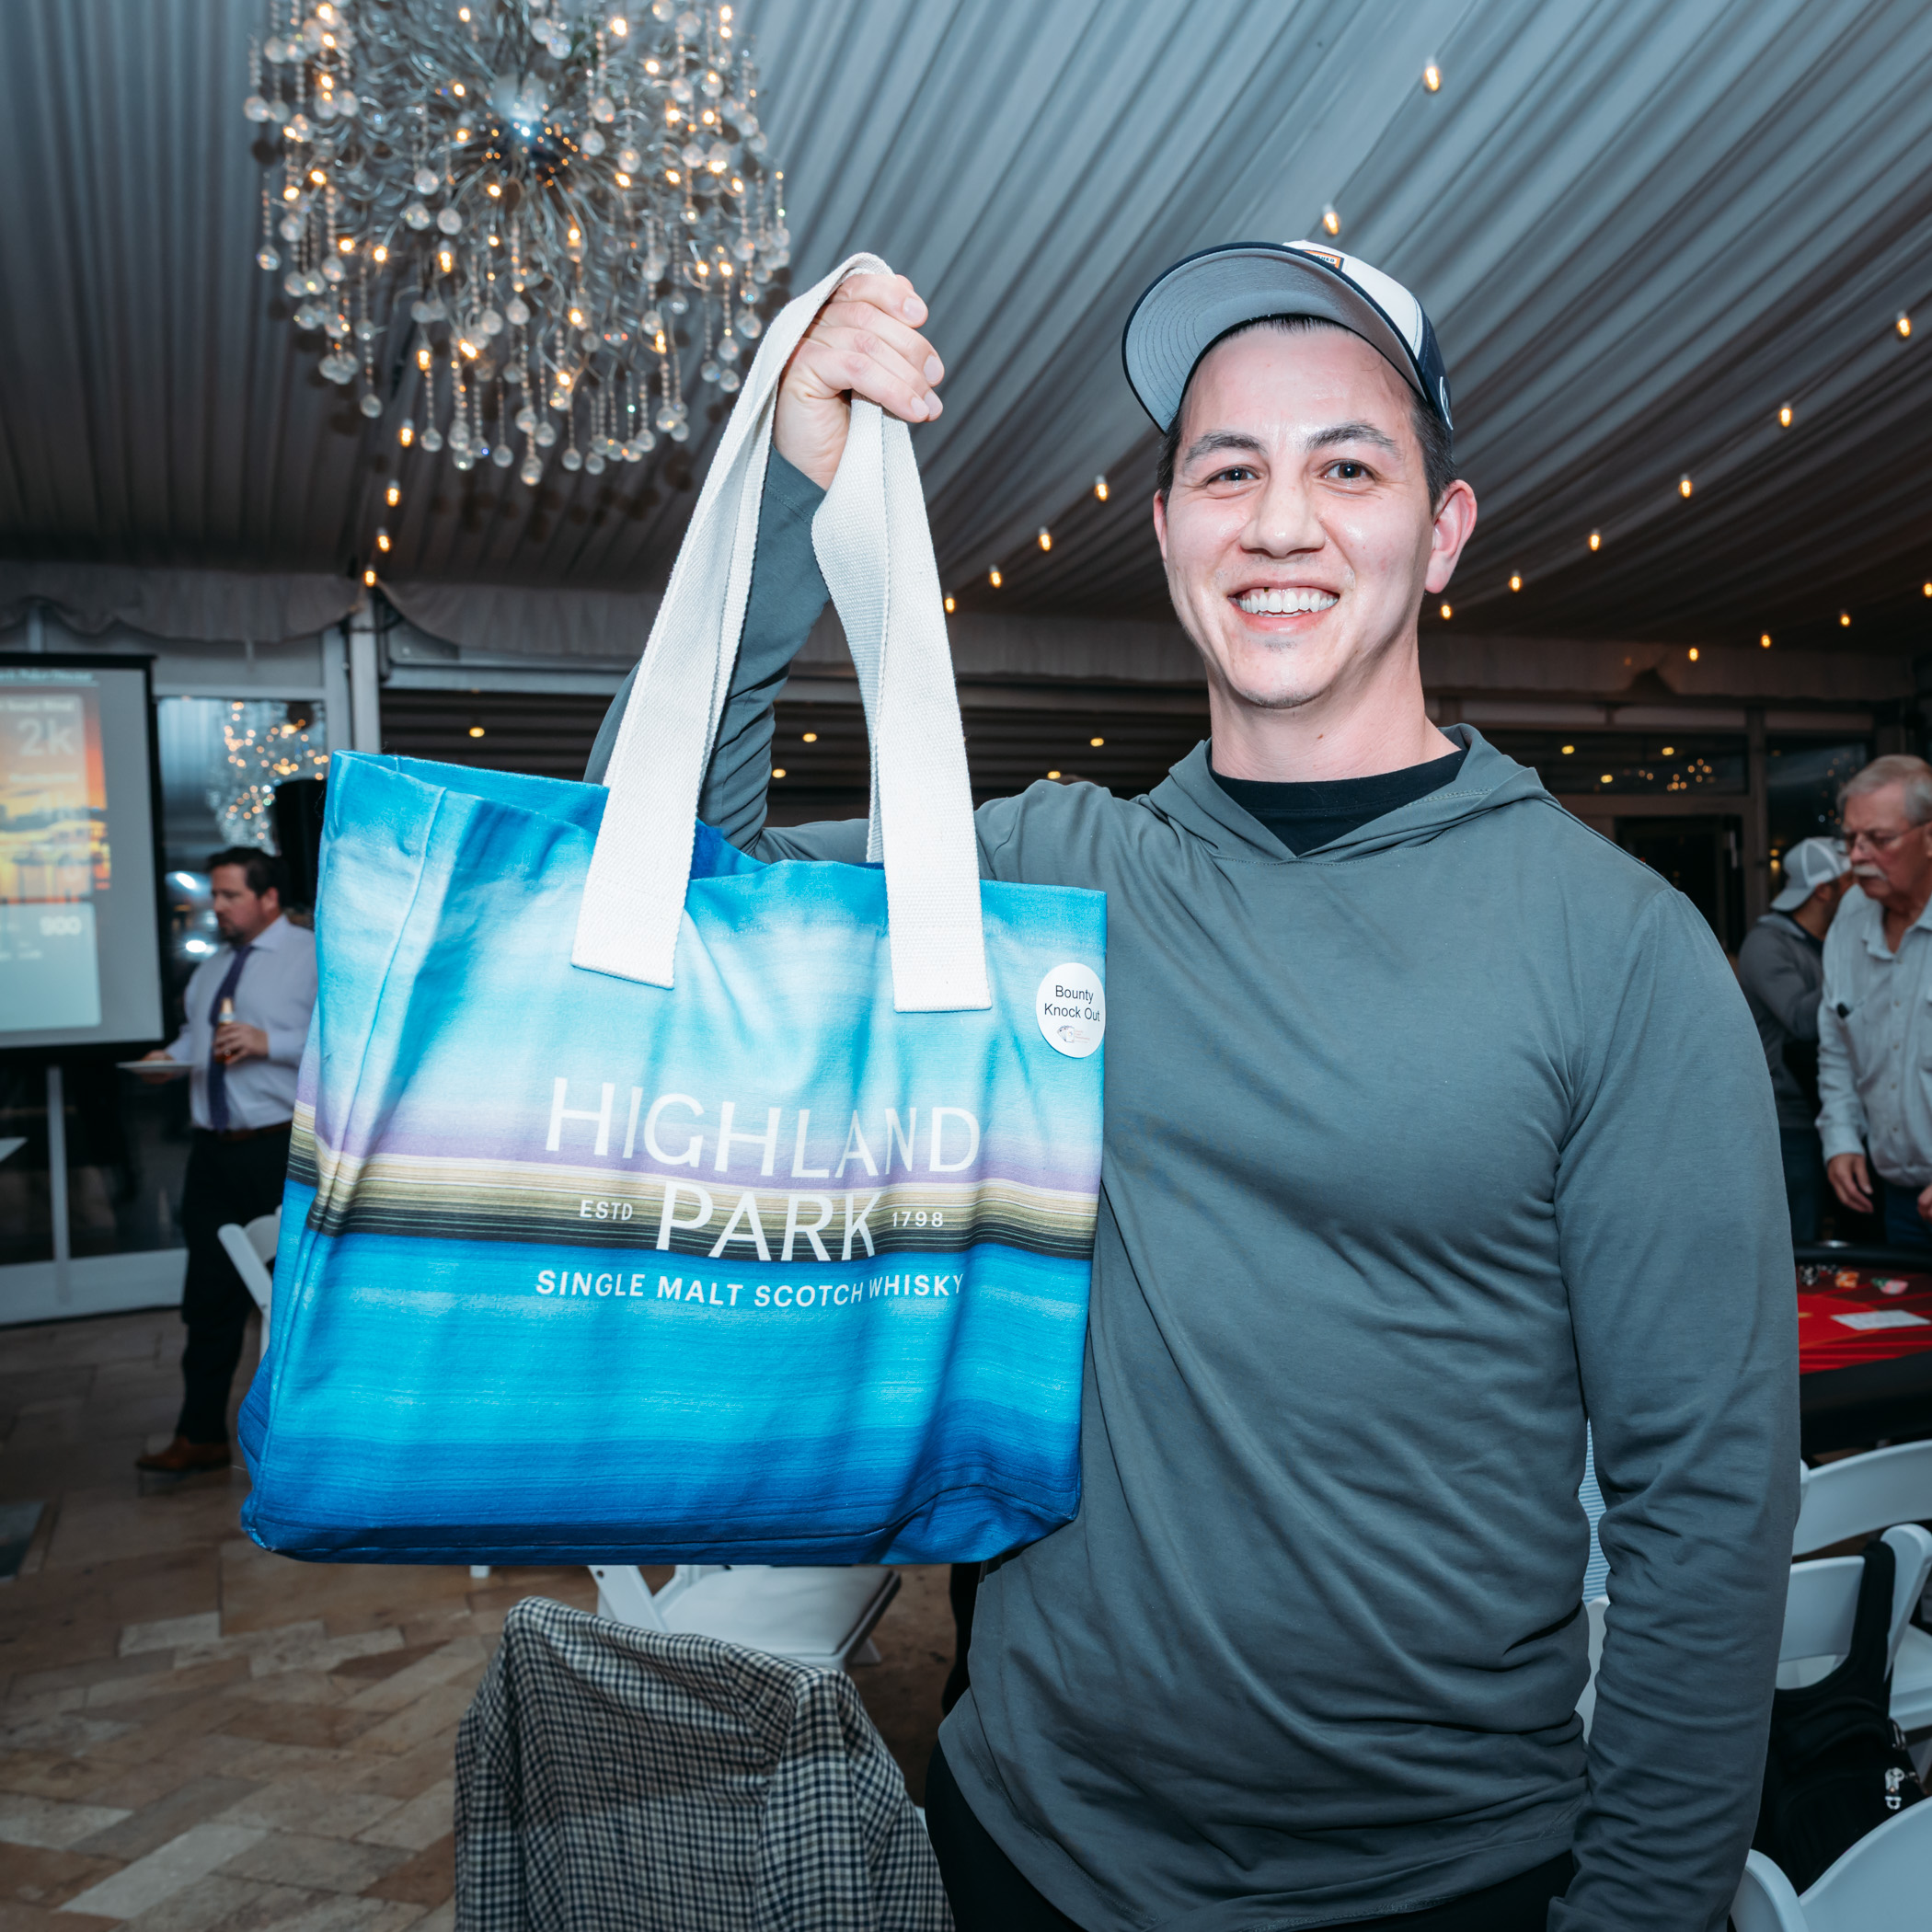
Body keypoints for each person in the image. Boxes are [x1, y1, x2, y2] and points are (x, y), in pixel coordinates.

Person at [589, 246, 1795, 1929]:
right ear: (1166, 536)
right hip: (1031, 1851)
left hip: (1446, 1882)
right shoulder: (1041, 878)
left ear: (1443, 532)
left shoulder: (1621, 951)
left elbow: (1706, 1503)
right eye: (1227, 470)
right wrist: (782, 491)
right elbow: (651, 886)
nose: (1281, 522)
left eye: (1347, 467)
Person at [136, 847, 316, 1473]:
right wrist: (167, 1060)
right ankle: (201, 1434)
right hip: (212, 1153)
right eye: (214, 895)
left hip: (281, 1149)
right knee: (208, 1296)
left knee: (297, 1299)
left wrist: (273, 1043)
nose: (216, 906)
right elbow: (197, 1040)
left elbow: (344, 1045)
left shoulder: (313, 956)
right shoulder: (211, 970)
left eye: (229, 895)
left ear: (269, 898)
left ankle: (304, 1446)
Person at [1819, 753, 1932, 1253]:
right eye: (1850, 839)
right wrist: (1840, 1138)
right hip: (1898, 1201)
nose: (1857, 856)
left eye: (1878, 840)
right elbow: (1836, 1043)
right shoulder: (1850, 913)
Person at [1736, 836, 1852, 1242]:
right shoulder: (1767, 945)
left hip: (1842, 1113)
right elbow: (1804, 1020)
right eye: (1850, 880)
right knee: (1799, 1241)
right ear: (1824, 890)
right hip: (1791, 1119)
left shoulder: (1836, 939)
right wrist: (1855, 967)